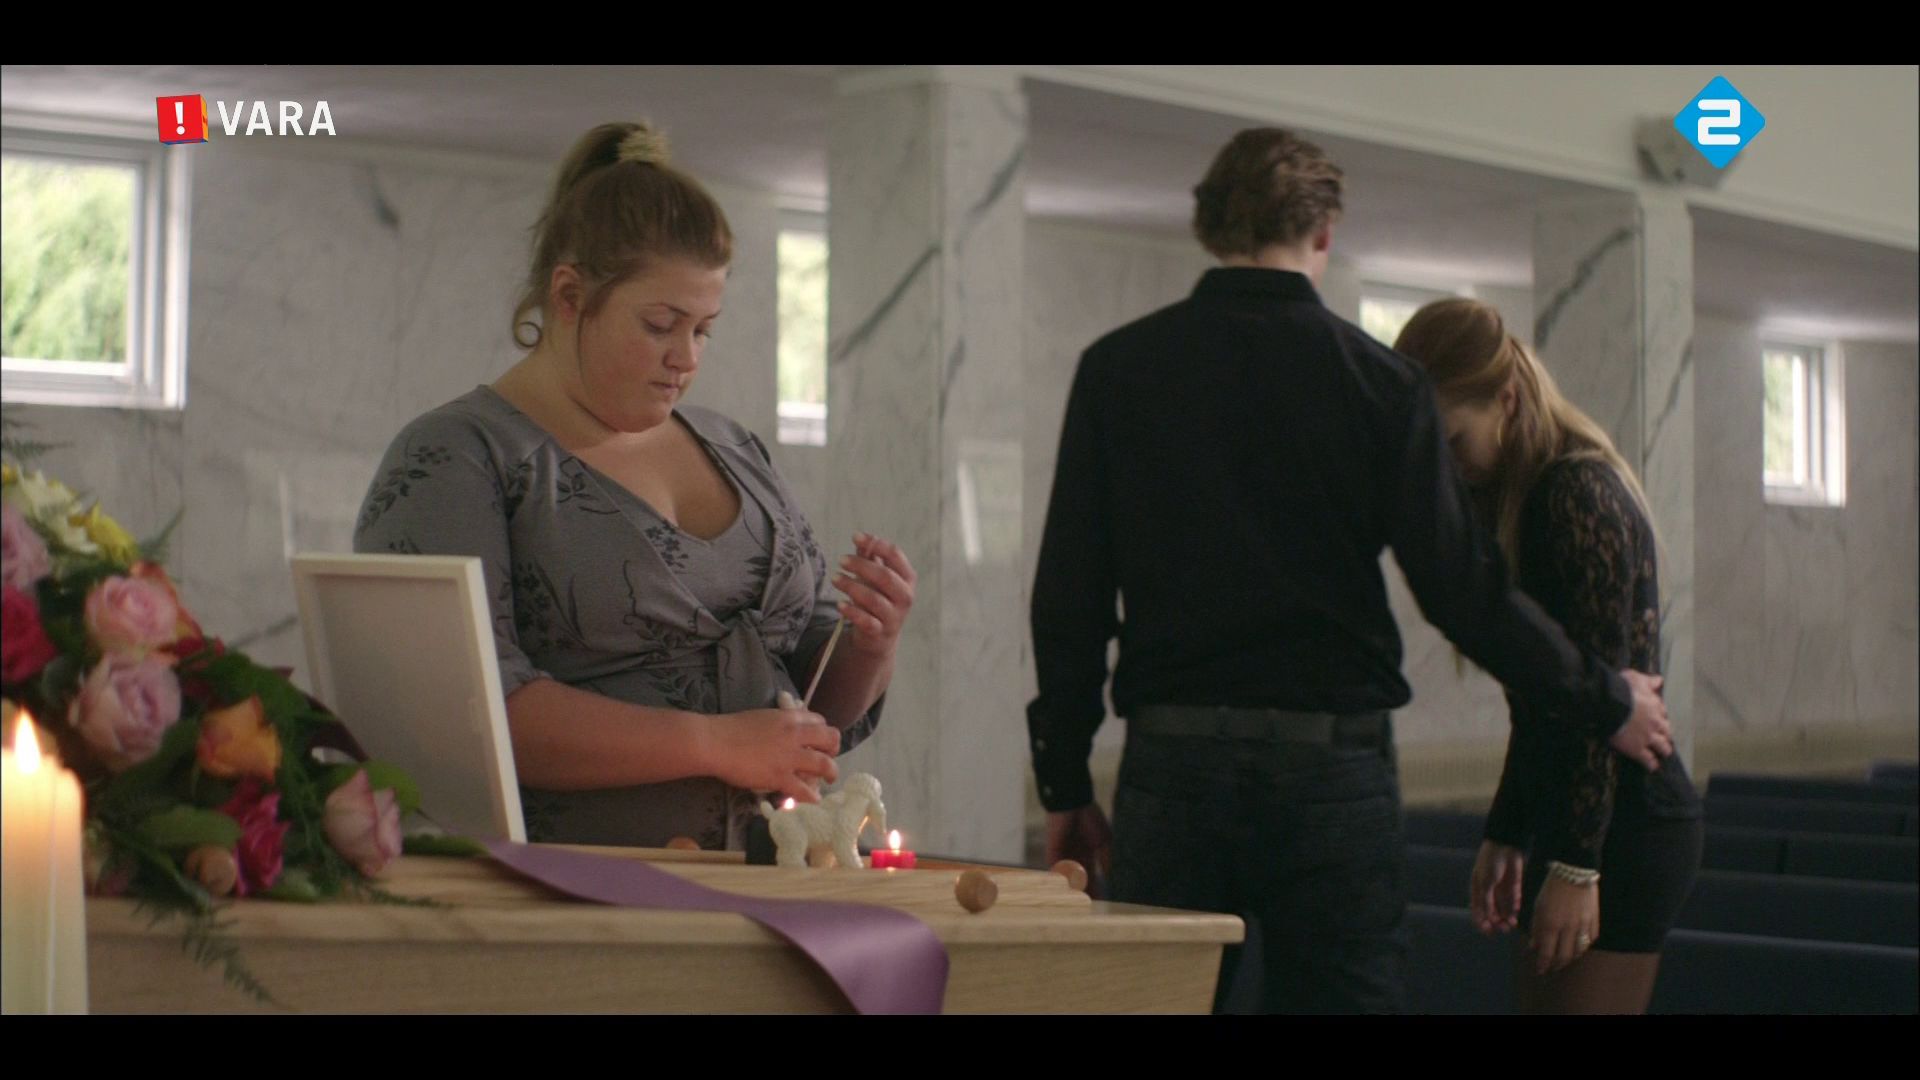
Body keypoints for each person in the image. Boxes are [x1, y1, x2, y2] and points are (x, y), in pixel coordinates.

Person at [1026, 127, 1674, 1013]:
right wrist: (1606, 698)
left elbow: (1069, 598)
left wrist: (1063, 780)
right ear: (1324, 232)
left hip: (1174, 767)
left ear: (1210, 225)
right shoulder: (1381, 384)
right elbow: (1465, 592)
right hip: (1331, 774)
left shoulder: (1117, 372)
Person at [354, 122, 915, 850]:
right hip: (575, 887)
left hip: (775, 871)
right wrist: (714, 744)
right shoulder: (460, 457)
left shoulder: (734, 448)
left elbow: (812, 701)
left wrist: (870, 643)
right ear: (569, 295)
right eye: (659, 325)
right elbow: (464, 716)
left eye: (703, 330)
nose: (686, 358)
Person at [1394, 298, 1703, 1014]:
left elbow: (1600, 711)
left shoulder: (1575, 492)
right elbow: (1544, 700)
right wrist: (1508, 829)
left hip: (1623, 822)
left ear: (1505, 400)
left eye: (1452, 440)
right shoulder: (1514, 497)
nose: (1446, 467)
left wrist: (1575, 864)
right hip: (1571, 815)